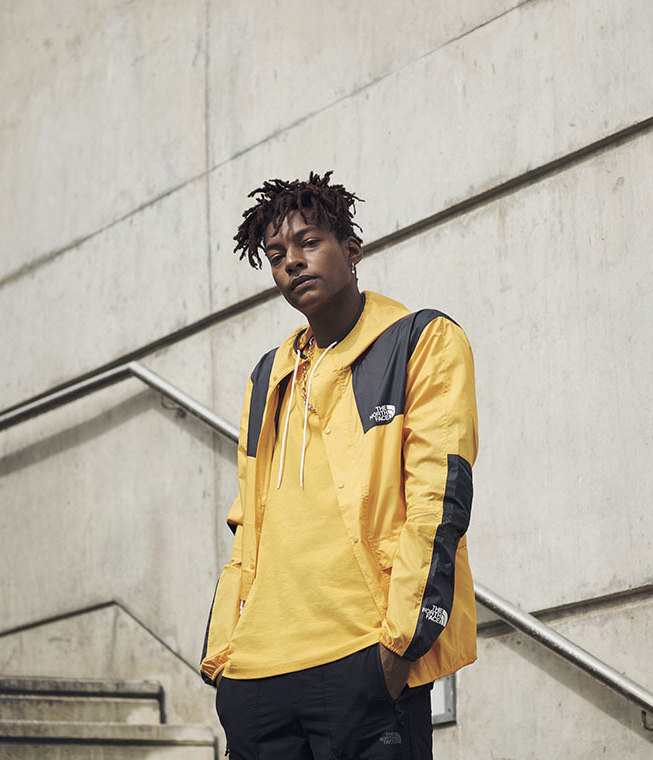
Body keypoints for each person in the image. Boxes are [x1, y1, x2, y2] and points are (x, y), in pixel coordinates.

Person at [200, 171, 478, 759]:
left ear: (352, 251)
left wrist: (399, 651)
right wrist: (224, 655)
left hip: (362, 662)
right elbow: (247, 526)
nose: (292, 263)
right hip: (255, 676)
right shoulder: (267, 376)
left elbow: (438, 501)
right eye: (276, 255)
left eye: (309, 242)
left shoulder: (420, 341)